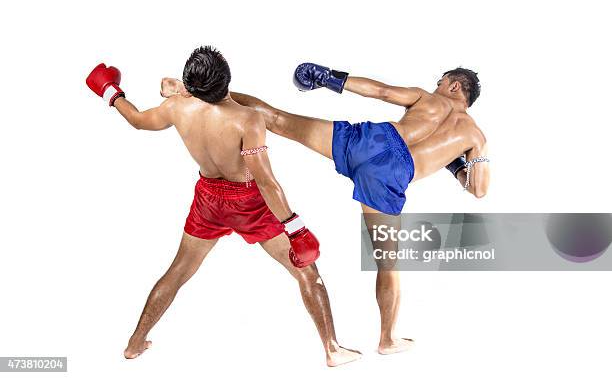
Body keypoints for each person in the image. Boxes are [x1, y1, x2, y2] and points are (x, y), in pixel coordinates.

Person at [162, 63, 490, 355]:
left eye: (440, 81)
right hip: (393, 176)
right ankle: (387, 339)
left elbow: (381, 91)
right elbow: (477, 189)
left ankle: (197, 90)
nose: (436, 86)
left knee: (276, 119)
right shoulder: (474, 135)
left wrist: (331, 79)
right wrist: (457, 163)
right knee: (388, 264)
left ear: (454, 85)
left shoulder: (428, 99)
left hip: (372, 140)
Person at [85, 47, 362, 366]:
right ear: (227, 80)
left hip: (208, 200)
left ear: (191, 85)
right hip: (249, 202)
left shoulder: (176, 108)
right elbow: (266, 182)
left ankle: (134, 343)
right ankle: (332, 349)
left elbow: (137, 120)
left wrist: (111, 92)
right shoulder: (247, 119)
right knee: (306, 271)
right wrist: (295, 227)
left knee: (178, 271)